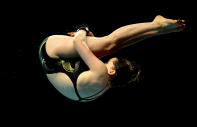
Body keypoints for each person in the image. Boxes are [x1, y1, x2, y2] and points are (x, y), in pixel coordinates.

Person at [39, 15, 185, 102]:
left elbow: (78, 42)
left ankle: (157, 25)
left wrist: (82, 30)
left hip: (50, 53)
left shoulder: (100, 72)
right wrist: (89, 42)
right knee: (111, 47)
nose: (106, 60)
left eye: (109, 62)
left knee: (108, 43)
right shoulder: (107, 84)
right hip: (69, 68)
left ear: (112, 72)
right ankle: (158, 28)